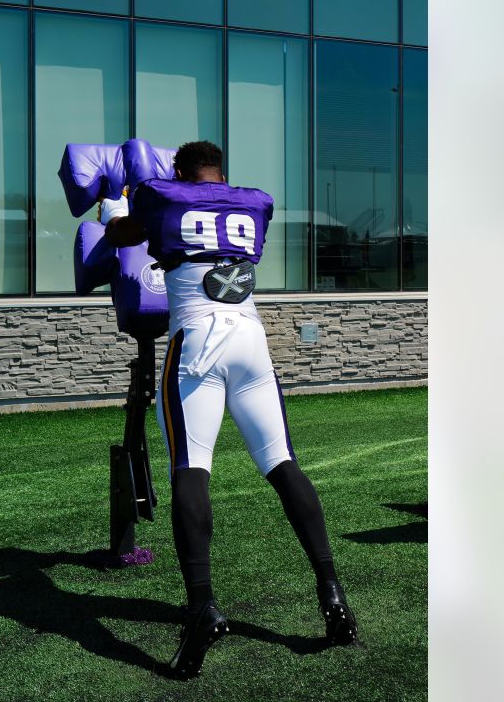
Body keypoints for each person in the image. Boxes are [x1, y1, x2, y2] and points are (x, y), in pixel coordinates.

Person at [100, 141, 359, 678]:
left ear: (177, 170)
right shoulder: (252, 203)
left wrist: (118, 207)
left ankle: (201, 607)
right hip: (251, 340)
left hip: (196, 340)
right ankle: (332, 593)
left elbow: (122, 237)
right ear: (222, 173)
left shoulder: (161, 194)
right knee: (282, 462)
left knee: (191, 469)